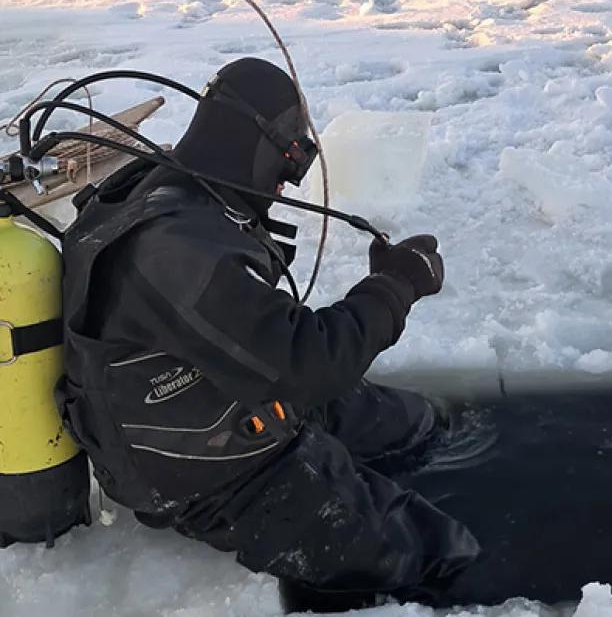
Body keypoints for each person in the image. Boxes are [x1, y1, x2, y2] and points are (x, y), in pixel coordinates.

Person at [54, 57, 480, 610]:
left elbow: (272, 340)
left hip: (233, 389)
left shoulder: (180, 186)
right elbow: (310, 365)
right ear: (256, 145)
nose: (286, 185)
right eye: (287, 164)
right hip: (206, 472)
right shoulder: (175, 251)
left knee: (416, 424)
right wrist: (396, 287)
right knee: (434, 551)